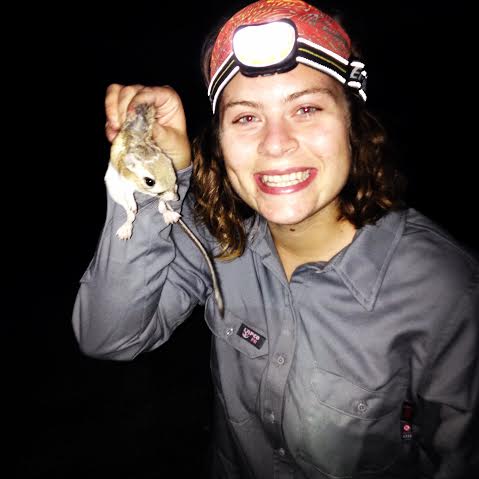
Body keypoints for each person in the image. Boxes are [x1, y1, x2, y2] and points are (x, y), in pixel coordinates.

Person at [72, 0, 478, 477]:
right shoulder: (220, 242)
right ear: (220, 142)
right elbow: (109, 337)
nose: (275, 143)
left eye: (306, 108)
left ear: (354, 124)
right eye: (246, 117)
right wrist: (158, 176)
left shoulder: (445, 286)